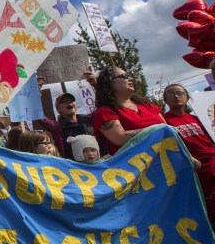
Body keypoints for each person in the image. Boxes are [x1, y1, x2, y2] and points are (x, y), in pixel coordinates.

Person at [162, 84, 215, 223]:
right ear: (165, 100)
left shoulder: (198, 118)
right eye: (171, 94)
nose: (176, 96)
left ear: (187, 97)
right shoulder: (164, 122)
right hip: (196, 169)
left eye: (180, 93)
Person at [92, 67, 165, 155]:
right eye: (124, 76)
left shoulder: (147, 105)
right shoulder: (104, 112)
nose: (130, 78)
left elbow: (166, 127)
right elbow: (120, 138)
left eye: (129, 75)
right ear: (110, 83)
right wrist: (157, 129)